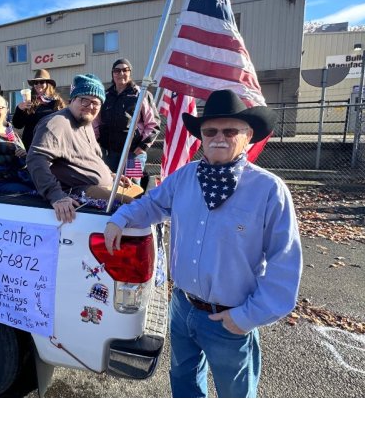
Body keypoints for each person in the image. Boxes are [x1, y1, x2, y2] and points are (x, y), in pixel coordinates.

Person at [103, 89, 303, 398]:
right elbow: (152, 204)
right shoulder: (184, 177)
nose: (219, 138)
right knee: (184, 385)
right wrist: (120, 219)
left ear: (248, 136)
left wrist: (246, 318)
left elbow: (284, 265)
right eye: (211, 131)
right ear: (202, 137)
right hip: (183, 308)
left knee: (235, 397)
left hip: (230, 318)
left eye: (230, 131)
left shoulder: (268, 190)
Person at [27, 73, 142, 224]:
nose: (90, 107)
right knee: (136, 207)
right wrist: (56, 196)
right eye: (84, 100)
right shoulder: (56, 123)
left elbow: (91, 158)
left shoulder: (86, 124)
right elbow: (36, 159)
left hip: (104, 185)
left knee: (140, 194)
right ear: (73, 99)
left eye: (96, 103)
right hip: (81, 191)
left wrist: (111, 175)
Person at [95, 58, 160, 185]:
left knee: (132, 187)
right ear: (112, 74)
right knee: (109, 184)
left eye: (125, 70)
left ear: (130, 72)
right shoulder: (105, 96)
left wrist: (142, 146)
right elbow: (96, 123)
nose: (121, 73)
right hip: (110, 153)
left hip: (133, 154)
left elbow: (153, 124)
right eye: (117, 70)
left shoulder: (141, 94)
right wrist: (95, 143)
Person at [11, 69, 65, 151]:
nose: (38, 85)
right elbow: (18, 125)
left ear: (48, 84)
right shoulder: (29, 102)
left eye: (42, 82)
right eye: (36, 83)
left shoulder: (57, 102)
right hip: (31, 146)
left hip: (51, 146)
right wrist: (19, 109)